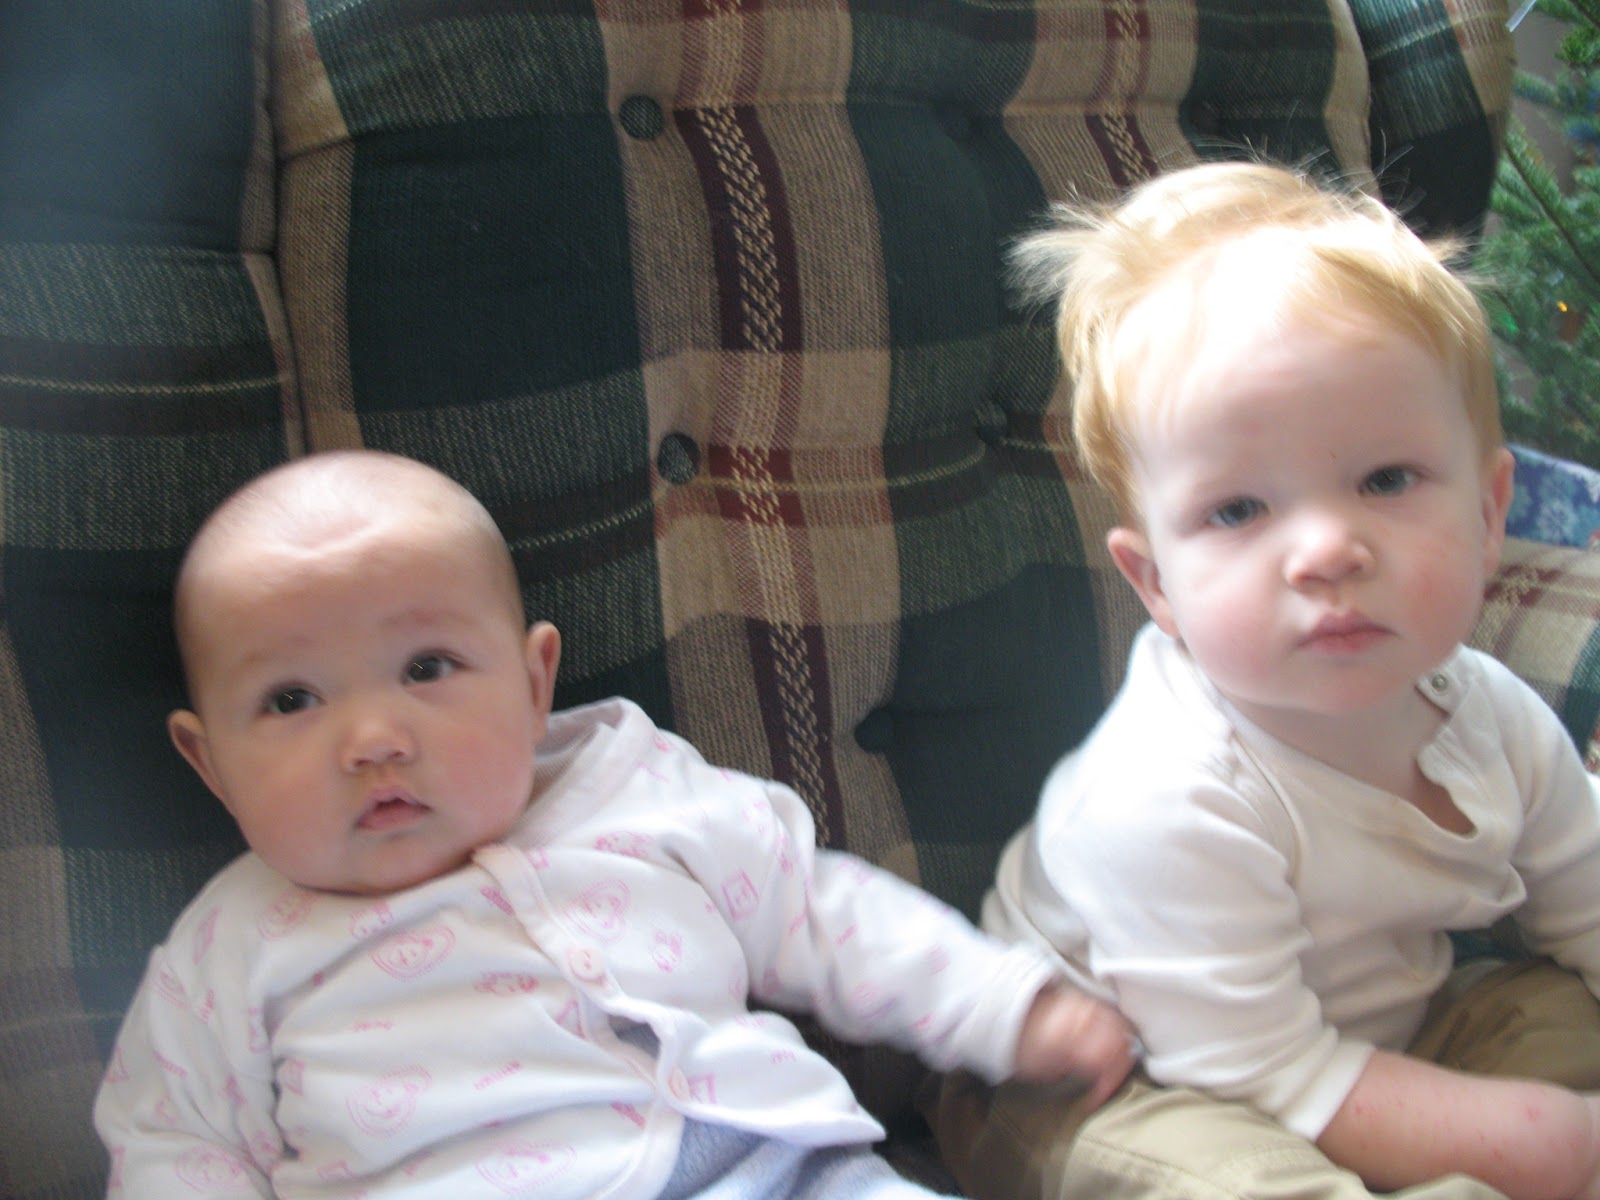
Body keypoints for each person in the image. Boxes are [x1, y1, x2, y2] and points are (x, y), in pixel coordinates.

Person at [93, 449, 1135, 1199]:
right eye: (290, 700)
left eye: (427, 668)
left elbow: (820, 914)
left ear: (533, 682)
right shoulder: (227, 953)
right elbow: (175, 1148)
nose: (373, 739)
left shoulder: (637, 791)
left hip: (769, 1164)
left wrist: (1004, 1010)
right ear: (209, 762)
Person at [932, 161, 1600, 1200]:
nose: (1326, 551)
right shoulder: (1164, 795)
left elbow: (1587, 903)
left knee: (1552, 1012)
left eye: (1386, 479)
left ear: (1487, 514)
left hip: (1370, 1037)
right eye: (1238, 511)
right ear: (1157, 585)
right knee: (1238, 1183)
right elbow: (1264, 1073)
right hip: (1112, 1087)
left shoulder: (1496, 721)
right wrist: (1539, 1143)